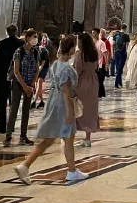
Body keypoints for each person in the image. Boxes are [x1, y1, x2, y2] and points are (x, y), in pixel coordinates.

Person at [14, 34, 87, 186]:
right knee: (68, 137)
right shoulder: (67, 68)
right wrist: (69, 112)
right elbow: (65, 91)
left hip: (53, 101)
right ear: (71, 49)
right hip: (62, 103)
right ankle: (72, 171)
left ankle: (25, 165)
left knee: (49, 139)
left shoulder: (55, 65)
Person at [5, 29, 39, 146]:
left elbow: (37, 70)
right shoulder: (19, 51)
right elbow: (16, 70)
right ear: (28, 38)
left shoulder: (35, 52)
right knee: (14, 109)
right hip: (18, 83)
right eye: (34, 36)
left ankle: (23, 136)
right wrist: (24, 85)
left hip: (29, 85)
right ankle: (8, 136)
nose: (36, 39)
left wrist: (31, 85)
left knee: (26, 111)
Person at [0, 24, 22, 134]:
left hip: (2, 76)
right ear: (16, 32)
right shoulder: (21, 44)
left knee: (1, 102)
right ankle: (11, 125)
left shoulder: (2, 43)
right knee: (13, 103)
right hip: (16, 77)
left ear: (7, 32)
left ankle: (1, 126)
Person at [73, 31, 100, 148]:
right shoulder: (94, 53)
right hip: (93, 81)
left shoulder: (80, 54)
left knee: (77, 107)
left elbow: (77, 70)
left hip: (82, 82)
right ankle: (88, 138)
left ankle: (71, 134)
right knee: (90, 109)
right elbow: (96, 66)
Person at [32, 34, 50, 109]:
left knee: (39, 83)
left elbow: (43, 63)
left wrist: (39, 69)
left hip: (44, 67)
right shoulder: (33, 51)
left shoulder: (42, 50)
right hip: (38, 67)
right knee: (37, 85)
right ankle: (42, 101)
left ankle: (34, 101)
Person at [112, 24, 130, 88]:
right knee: (120, 69)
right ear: (125, 28)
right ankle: (116, 83)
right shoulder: (126, 36)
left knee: (118, 68)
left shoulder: (115, 35)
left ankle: (120, 82)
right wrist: (128, 54)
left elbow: (113, 44)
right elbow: (127, 46)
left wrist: (112, 53)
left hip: (116, 52)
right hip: (122, 53)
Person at [94, 29, 109, 97]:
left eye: (94, 33)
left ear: (97, 33)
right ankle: (100, 93)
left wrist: (106, 63)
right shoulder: (92, 42)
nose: (93, 34)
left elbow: (105, 53)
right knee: (97, 80)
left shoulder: (102, 43)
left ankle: (100, 94)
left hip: (101, 64)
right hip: (94, 64)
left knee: (100, 80)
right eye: (92, 33)